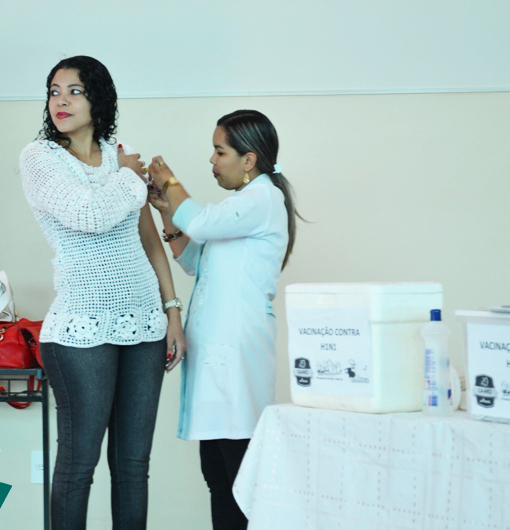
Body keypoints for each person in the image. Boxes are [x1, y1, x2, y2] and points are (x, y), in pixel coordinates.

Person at [19, 56, 185, 530]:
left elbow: (148, 239)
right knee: (78, 465)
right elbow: (88, 215)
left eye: (75, 91)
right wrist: (129, 176)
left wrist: (172, 311)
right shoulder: (39, 158)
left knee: (133, 466)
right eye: (54, 92)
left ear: (99, 99)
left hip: (145, 324)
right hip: (80, 330)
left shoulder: (121, 154)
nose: (62, 101)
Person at [147, 110, 300, 530]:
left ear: (248, 160)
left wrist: (170, 181)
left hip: (236, 353)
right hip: (218, 353)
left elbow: (201, 222)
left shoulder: (263, 200)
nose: (212, 161)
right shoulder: (242, 206)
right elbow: (195, 259)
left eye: (220, 152)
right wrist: (167, 213)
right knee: (217, 475)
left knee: (238, 477)